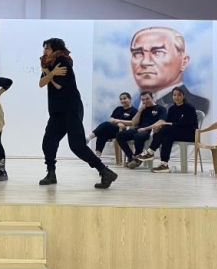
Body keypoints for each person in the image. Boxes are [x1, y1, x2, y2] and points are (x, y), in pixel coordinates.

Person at [39, 38, 118, 189]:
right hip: (57, 111)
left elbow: (58, 85)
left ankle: (104, 171)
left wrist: (49, 74)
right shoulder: (49, 64)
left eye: (47, 48)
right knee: (48, 141)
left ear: (55, 49)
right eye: (44, 48)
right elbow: (41, 83)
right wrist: (50, 73)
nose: (44, 51)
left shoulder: (62, 60)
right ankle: (51, 173)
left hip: (71, 108)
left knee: (77, 145)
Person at [129, 26, 210, 115]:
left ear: (183, 62)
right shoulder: (130, 104)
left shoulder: (198, 106)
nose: (145, 62)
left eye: (158, 52)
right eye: (137, 53)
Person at [135, 86, 199, 173]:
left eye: (179, 95)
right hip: (176, 133)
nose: (176, 97)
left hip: (190, 133)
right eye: (174, 95)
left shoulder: (189, 108)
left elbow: (185, 124)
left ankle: (150, 152)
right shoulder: (172, 108)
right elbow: (169, 122)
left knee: (165, 128)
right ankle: (164, 165)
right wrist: (159, 127)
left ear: (183, 96)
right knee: (167, 136)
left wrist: (163, 125)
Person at [115, 90, 167, 169]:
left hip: (151, 131)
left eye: (147, 99)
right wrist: (140, 111)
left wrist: (145, 128)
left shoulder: (161, 108)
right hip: (139, 128)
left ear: (152, 98)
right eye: (143, 99)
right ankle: (131, 157)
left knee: (138, 136)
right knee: (119, 135)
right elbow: (134, 123)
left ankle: (138, 157)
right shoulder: (143, 109)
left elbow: (161, 122)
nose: (145, 101)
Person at [87, 92, 138, 159]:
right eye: (121, 99)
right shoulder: (118, 109)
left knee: (106, 124)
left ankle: (89, 137)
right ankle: (97, 155)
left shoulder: (134, 110)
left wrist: (119, 121)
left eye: (125, 98)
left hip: (124, 131)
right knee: (102, 133)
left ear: (130, 99)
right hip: (114, 130)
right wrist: (118, 123)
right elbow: (111, 119)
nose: (123, 101)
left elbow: (134, 123)